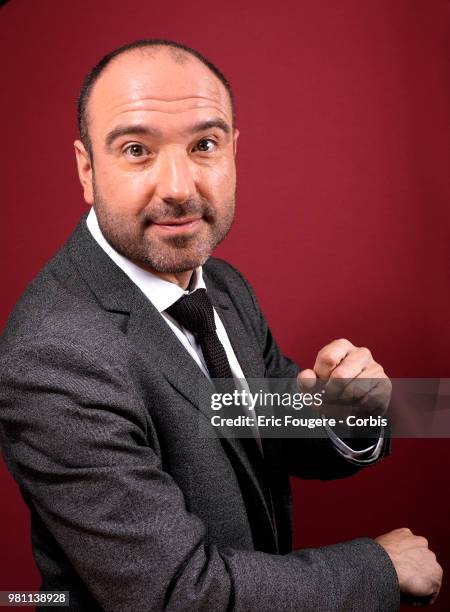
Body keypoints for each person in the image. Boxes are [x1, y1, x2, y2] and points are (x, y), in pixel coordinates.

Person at [0, 39, 442, 611]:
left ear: (234, 151)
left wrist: (353, 413)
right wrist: (379, 568)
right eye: (137, 149)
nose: (180, 188)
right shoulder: (52, 357)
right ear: (87, 170)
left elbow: (261, 430)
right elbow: (179, 594)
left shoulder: (220, 285)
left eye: (204, 145)